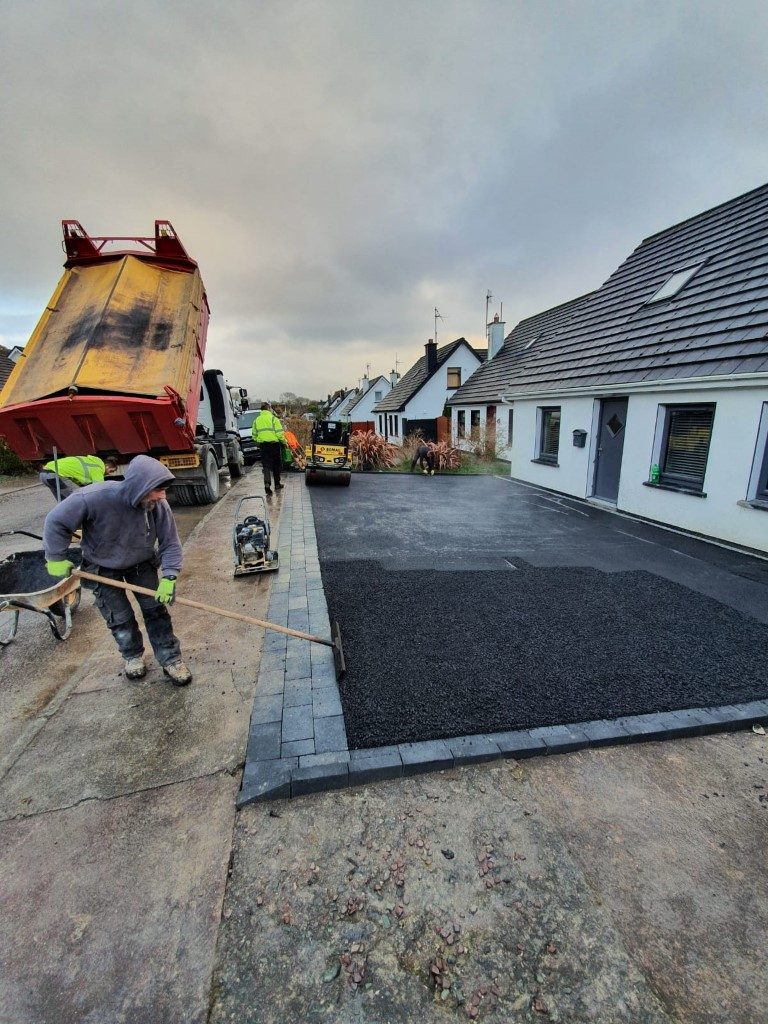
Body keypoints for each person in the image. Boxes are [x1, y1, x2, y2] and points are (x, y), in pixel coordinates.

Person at [43, 454, 192, 686]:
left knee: (156, 612)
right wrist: (55, 557)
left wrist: (169, 576)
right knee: (119, 618)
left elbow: (170, 542)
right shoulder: (92, 498)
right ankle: (132, 656)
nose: (163, 496)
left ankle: (171, 659)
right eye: (157, 490)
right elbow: (56, 522)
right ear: (139, 486)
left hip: (141, 564)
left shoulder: (157, 505)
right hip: (101, 567)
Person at [39, 454, 118, 501]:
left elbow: (78, 481)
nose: (110, 474)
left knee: (62, 501)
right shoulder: (98, 467)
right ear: (107, 466)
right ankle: (78, 523)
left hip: (44, 474)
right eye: (111, 471)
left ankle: (66, 523)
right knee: (75, 499)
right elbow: (98, 489)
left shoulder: (90, 461)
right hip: (54, 474)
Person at [252, 402, 285, 495]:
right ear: (269, 409)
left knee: (266, 466)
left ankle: (267, 484)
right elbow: (279, 434)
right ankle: (277, 484)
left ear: (261, 410)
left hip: (263, 446)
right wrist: (284, 442)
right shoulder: (274, 419)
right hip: (274, 445)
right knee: (276, 465)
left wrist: (258, 440)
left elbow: (254, 435)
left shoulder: (256, 420)